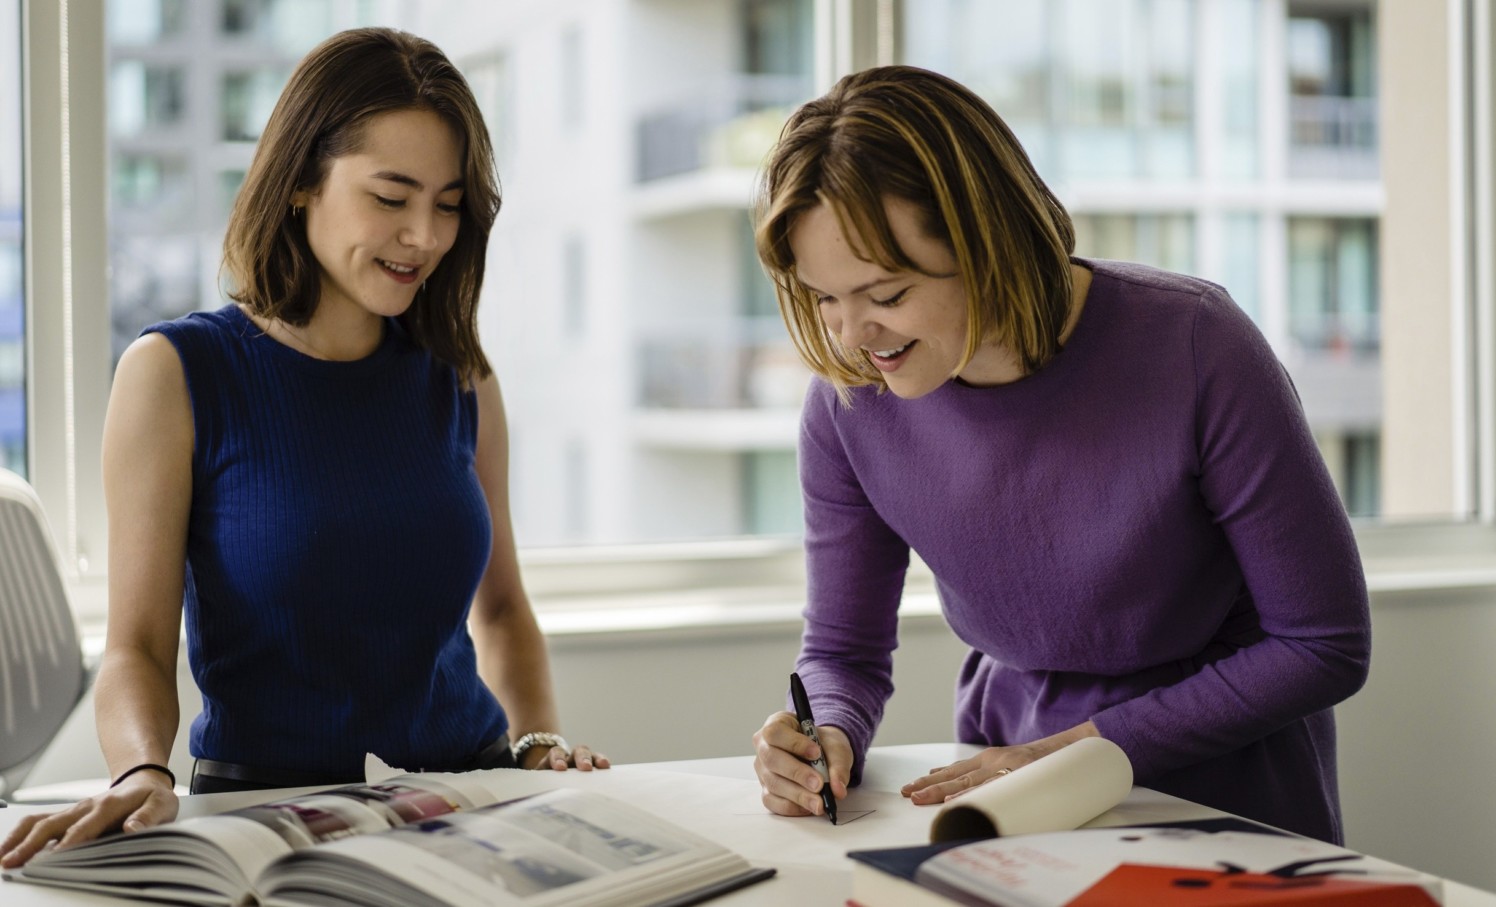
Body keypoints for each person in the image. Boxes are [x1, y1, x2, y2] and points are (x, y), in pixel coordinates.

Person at [0, 27, 606, 868]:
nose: (425, 236)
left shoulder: (461, 377)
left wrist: (540, 744)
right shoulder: (175, 373)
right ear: (300, 185)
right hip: (268, 816)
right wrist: (141, 769)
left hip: (474, 805)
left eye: (449, 202)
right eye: (391, 197)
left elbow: (501, 610)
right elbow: (138, 644)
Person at [749, 65, 1369, 845]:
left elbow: (1323, 645)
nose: (848, 336)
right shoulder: (847, 404)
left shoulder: (1195, 344)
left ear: (987, 240)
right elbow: (842, 651)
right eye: (822, 298)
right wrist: (827, 735)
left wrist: (1075, 753)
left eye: (887, 295)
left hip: (1223, 786)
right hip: (1004, 787)